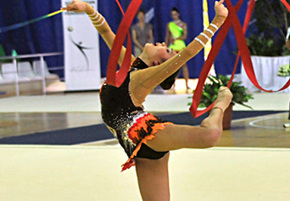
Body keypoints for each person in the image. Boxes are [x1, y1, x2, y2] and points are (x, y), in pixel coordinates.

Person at [63, 1, 231, 200]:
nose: (163, 44)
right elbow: (106, 32)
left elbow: (187, 53)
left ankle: (222, 101)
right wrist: (88, 9)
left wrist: (219, 19)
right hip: (134, 143)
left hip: (145, 132)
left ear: (159, 64)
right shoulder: (130, 66)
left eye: (166, 50)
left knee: (210, 135)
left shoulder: (143, 77)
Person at [165, 7, 190, 91]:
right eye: (172, 15)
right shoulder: (170, 24)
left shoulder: (183, 24)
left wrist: (177, 38)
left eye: (175, 14)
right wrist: (165, 45)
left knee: (184, 65)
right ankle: (173, 85)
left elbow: (185, 36)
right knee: (172, 67)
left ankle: (187, 84)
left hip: (181, 46)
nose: (174, 16)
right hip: (172, 47)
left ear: (178, 14)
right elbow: (167, 36)